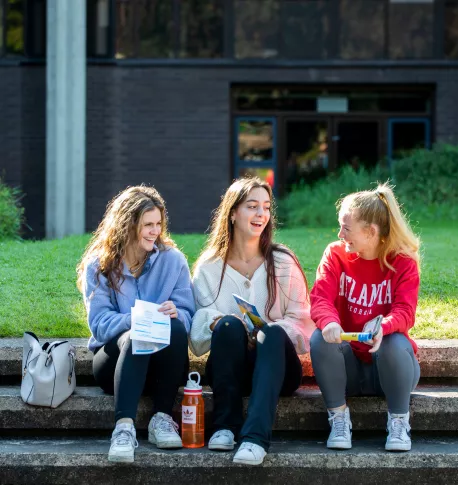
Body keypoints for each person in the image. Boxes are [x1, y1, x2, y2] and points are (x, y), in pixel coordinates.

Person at [189, 177, 315, 466]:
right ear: (233, 213)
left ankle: (255, 439)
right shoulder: (209, 268)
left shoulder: (283, 261)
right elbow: (196, 331)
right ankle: (224, 427)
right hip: (232, 368)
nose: (261, 214)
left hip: (278, 369)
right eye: (252, 206)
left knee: (270, 332)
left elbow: (303, 323)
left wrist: (264, 331)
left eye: (266, 207)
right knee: (229, 326)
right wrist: (218, 321)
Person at [77, 185, 195, 463]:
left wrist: (177, 313)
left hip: (163, 365)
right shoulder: (100, 265)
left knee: (175, 327)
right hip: (115, 361)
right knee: (135, 336)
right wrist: (137, 319)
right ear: (127, 226)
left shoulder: (173, 261)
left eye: (158, 224)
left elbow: (190, 316)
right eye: (147, 225)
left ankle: (162, 419)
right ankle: (124, 429)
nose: (155, 231)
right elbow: (100, 325)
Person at [309, 183, 421, 452]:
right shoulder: (335, 255)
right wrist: (330, 322)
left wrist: (384, 325)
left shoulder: (403, 261)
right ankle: (338, 419)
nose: (340, 234)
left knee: (393, 342)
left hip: (391, 368)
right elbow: (320, 298)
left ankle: (398, 422)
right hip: (348, 370)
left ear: (371, 232)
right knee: (319, 338)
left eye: (346, 228)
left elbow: (405, 312)